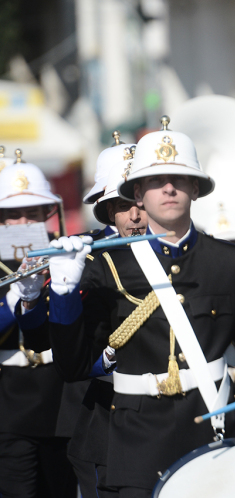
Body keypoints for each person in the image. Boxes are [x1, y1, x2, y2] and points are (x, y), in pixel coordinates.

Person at [47, 116, 235, 497]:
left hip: (213, 432)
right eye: (155, 181)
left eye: (179, 179)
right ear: (138, 194)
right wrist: (62, 294)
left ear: (195, 188)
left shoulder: (229, 261)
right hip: (134, 444)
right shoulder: (108, 265)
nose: (168, 188)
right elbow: (73, 365)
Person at [65, 135, 146, 498]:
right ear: (107, 208)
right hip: (108, 418)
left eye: (141, 201)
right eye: (123, 203)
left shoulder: (185, 253)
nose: (135, 214)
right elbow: (74, 353)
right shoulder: (90, 259)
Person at [0, 150, 77, 498]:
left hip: (61, 397)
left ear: (50, 213)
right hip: (9, 399)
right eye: (12, 216)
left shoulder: (68, 255)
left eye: (33, 214)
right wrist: (17, 296)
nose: (23, 225)